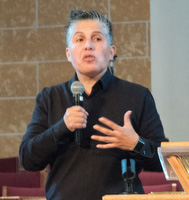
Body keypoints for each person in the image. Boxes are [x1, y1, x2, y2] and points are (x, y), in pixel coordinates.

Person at [19, 10, 168, 200]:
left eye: (97, 39)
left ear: (111, 51)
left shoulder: (138, 95)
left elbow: (164, 161)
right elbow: (28, 159)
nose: (88, 46)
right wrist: (61, 127)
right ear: (68, 53)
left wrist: (135, 144)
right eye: (79, 39)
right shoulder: (50, 97)